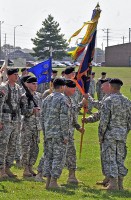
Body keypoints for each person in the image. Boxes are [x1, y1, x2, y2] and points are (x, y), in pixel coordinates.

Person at [98, 78, 131, 190]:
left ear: (111, 87)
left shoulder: (108, 100)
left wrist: (101, 135)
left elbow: (104, 121)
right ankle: (120, 184)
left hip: (110, 135)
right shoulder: (127, 101)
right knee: (120, 158)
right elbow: (129, 120)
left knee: (110, 158)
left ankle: (113, 184)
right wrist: (125, 131)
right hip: (122, 135)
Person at [41, 78, 70, 189]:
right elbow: (64, 119)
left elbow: (42, 117)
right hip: (59, 134)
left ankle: (48, 182)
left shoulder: (47, 98)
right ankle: (53, 182)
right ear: (62, 87)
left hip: (48, 133)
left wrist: (44, 132)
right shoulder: (63, 99)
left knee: (49, 157)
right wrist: (65, 135)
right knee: (58, 158)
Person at [0, 68, 21, 178]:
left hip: (15, 120)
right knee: (3, 145)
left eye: (17, 74)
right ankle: (1, 170)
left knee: (12, 145)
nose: (17, 76)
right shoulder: (3, 88)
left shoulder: (18, 88)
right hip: (6, 120)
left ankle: (8, 168)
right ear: (9, 76)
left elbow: (18, 105)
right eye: (14, 74)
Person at [20, 76, 42, 177]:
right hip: (27, 126)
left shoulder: (38, 96)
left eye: (36, 84)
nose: (35, 85)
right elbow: (22, 111)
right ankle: (25, 168)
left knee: (35, 148)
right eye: (33, 84)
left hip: (36, 126)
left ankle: (30, 167)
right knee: (26, 147)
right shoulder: (24, 97)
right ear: (28, 85)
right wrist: (32, 111)